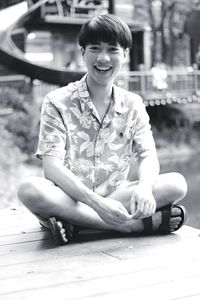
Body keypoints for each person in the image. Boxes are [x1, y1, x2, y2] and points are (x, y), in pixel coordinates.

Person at [17, 14, 187, 246]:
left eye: (113, 50)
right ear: (83, 52)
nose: (103, 58)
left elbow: (148, 156)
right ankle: (128, 227)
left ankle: (76, 225)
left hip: (118, 197)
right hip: (71, 199)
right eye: (95, 48)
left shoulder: (133, 103)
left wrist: (145, 188)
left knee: (177, 184)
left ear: (125, 54)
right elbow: (52, 169)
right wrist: (98, 204)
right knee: (29, 189)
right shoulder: (57, 101)